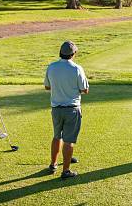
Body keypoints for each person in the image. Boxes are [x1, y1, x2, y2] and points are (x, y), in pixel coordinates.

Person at [44, 41, 89, 180]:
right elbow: (85, 90)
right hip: (72, 109)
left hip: (56, 109)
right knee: (69, 140)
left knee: (57, 136)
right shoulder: (77, 68)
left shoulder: (51, 67)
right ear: (73, 53)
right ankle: (66, 170)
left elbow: (47, 87)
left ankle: (53, 164)